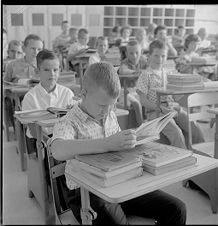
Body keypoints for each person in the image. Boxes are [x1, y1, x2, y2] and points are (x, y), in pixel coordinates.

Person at [48, 62, 186, 225]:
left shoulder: (109, 115)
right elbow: (57, 149)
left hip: (120, 182)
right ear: (83, 94)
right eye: (102, 105)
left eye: (111, 105)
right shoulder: (69, 122)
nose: (106, 111)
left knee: (177, 209)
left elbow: (118, 149)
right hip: (87, 193)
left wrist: (132, 142)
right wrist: (107, 144)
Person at [136, 40, 205, 149]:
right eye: (156, 56)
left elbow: (176, 95)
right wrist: (159, 108)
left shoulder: (169, 73)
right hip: (155, 112)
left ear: (167, 56)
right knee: (176, 132)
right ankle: (182, 158)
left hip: (172, 108)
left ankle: (201, 154)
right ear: (149, 56)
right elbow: (143, 100)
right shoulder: (145, 75)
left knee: (194, 127)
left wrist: (180, 103)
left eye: (163, 56)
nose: (160, 59)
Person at [22, 49, 76, 145]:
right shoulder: (30, 97)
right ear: (37, 71)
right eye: (46, 70)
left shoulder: (67, 93)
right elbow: (33, 129)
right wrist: (49, 144)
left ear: (60, 70)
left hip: (63, 137)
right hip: (39, 139)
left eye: (55, 70)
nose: (52, 74)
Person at [118, 40, 147, 127]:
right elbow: (123, 70)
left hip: (138, 91)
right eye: (131, 53)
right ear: (126, 54)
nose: (134, 56)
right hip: (125, 91)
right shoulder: (125, 62)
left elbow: (149, 70)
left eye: (137, 53)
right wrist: (137, 72)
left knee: (149, 99)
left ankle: (147, 122)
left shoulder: (143, 61)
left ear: (141, 52)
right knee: (137, 103)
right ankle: (141, 126)